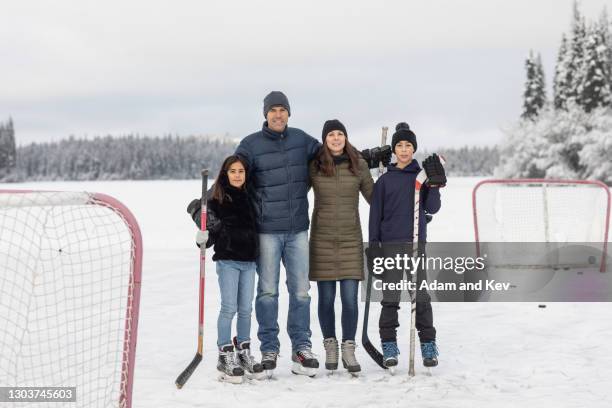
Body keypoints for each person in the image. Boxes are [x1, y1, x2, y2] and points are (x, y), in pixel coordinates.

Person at [235, 91, 391, 377]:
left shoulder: (301, 140)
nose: (278, 115)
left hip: (297, 231)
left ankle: (301, 349)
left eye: (283, 110)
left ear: (289, 113)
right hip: (268, 229)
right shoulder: (250, 145)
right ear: (265, 114)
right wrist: (208, 203)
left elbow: (336, 152)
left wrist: (366, 156)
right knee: (268, 291)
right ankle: (269, 347)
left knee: (302, 293)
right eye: (273, 110)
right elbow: (232, 175)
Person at [368, 122, 447, 369]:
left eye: (408, 145)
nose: (404, 150)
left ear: (414, 148)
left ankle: (428, 344)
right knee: (390, 299)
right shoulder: (384, 181)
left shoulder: (421, 177)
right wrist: (374, 247)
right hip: (390, 247)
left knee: (421, 297)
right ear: (393, 149)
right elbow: (375, 217)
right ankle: (389, 344)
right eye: (399, 145)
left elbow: (432, 208)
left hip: (415, 247)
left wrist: (434, 185)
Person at [187, 155, 263, 383]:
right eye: (233, 171)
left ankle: (243, 351)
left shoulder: (250, 196)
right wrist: (202, 236)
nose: (238, 175)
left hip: (249, 261)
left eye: (241, 171)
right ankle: (225, 353)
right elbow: (207, 231)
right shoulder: (218, 198)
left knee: (246, 309)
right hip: (228, 260)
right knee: (229, 308)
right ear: (225, 174)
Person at [308, 119, 374, 376]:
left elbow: (376, 199)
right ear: (325, 139)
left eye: (340, 134)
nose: (336, 138)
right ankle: (330, 346)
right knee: (325, 299)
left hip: (350, 240)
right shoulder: (314, 166)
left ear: (346, 137)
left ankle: (348, 348)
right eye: (331, 135)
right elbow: (293, 192)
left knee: (349, 299)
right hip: (322, 240)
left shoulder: (359, 164)